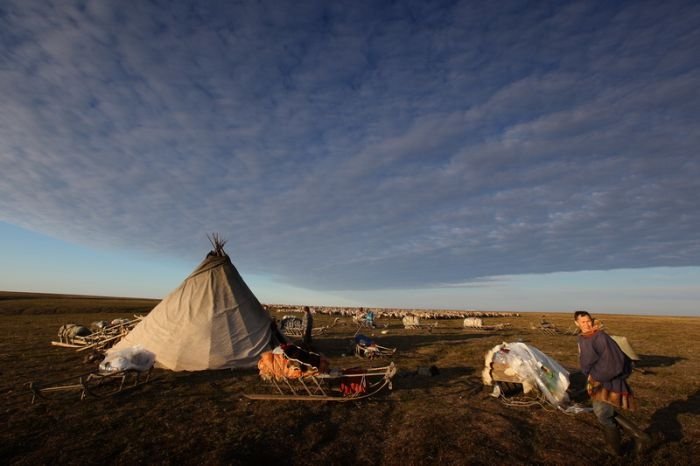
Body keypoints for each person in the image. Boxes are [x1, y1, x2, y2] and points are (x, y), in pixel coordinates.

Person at [574, 310, 652, 456]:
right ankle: (639, 436)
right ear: (576, 323)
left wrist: (596, 375)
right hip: (595, 379)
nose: (587, 324)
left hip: (606, 380)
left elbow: (614, 362)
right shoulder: (583, 338)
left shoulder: (600, 337)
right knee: (604, 412)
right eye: (583, 322)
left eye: (589, 320)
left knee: (603, 414)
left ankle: (617, 449)